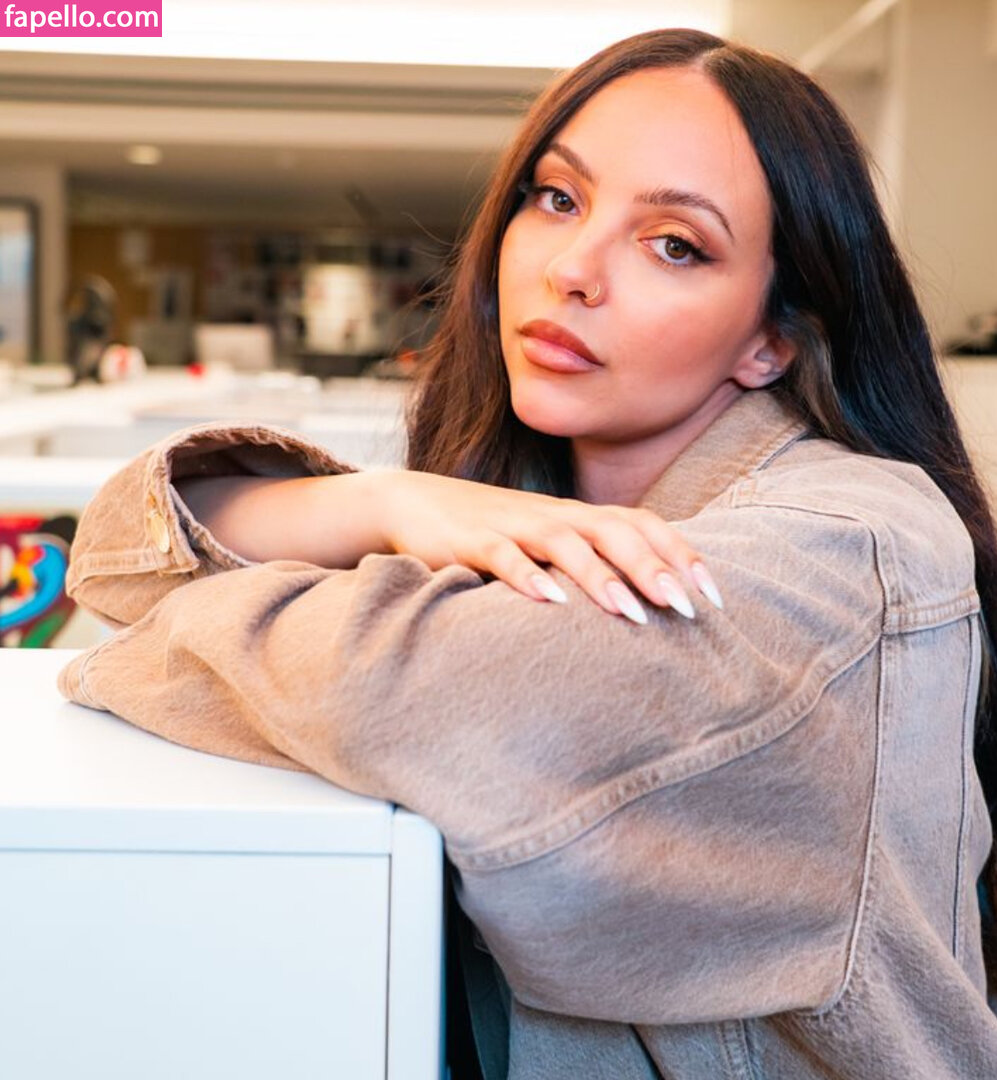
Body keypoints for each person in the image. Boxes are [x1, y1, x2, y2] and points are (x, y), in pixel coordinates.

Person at [56, 27, 997, 1079]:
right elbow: (116, 553)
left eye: (674, 244)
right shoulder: (533, 496)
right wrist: (383, 499)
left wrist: (165, 630)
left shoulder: (845, 548)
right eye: (557, 198)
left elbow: (390, 695)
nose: (572, 269)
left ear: (769, 340)